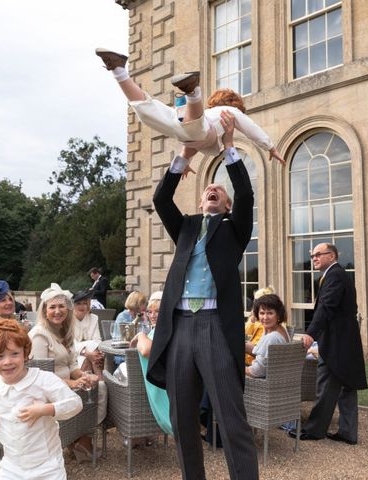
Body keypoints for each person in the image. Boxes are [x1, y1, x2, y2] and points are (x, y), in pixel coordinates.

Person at [147, 111, 258, 479]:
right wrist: (186, 155)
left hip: (214, 326)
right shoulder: (185, 229)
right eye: (208, 191)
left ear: (225, 207)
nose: (213, 190)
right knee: (182, 419)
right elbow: (162, 199)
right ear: (200, 204)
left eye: (219, 192)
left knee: (230, 418)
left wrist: (228, 147)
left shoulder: (234, 230)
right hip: (179, 327)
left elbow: (245, 192)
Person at [94, 48, 285, 164]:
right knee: (193, 124)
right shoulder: (231, 112)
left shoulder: (210, 115)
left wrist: (184, 161)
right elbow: (251, 128)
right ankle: (193, 92)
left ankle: (118, 69)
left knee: (146, 110)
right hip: (195, 128)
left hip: (180, 126)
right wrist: (270, 147)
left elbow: (191, 147)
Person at [0, 318, 83, 480]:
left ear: (25, 353)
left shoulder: (43, 379)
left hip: (48, 466)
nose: (8, 361)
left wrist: (46, 409)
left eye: (14, 354)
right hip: (12, 468)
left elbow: (75, 403)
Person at [293, 243, 367, 445]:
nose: (314, 258)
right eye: (312, 256)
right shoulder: (337, 275)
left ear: (332, 255)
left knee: (326, 384)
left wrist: (311, 334)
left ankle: (315, 430)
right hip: (346, 340)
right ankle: (348, 433)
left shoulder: (334, 276)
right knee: (347, 386)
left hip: (336, 342)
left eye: (318, 254)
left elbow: (325, 307)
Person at [28, 283, 106, 462]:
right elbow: (40, 375)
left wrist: (83, 376)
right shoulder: (40, 335)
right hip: (46, 388)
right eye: (52, 307)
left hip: (64, 382)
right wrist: (72, 383)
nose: (57, 311)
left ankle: (81, 439)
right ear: (44, 311)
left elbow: (72, 366)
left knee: (99, 387)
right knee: (91, 393)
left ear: (67, 309)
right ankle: (78, 441)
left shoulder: (65, 332)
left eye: (61, 306)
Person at [129, 291, 172, 435]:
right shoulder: (158, 329)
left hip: (162, 386)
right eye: (149, 311)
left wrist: (141, 335)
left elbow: (147, 350)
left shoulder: (166, 330)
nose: (152, 315)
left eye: (158, 311)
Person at [245, 294, 291, 378]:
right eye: (262, 313)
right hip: (278, 379)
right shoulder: (280, 329)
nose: (265, 317)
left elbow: (257, 371)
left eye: (270, 313)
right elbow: (264, 355)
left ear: (278, 314)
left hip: (262, 382)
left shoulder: (272, 337)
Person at [72, 290, 104, 374]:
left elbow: (98, 340)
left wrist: (92, 353)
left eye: (85, 303)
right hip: (74, 354)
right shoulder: (68, 320)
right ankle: (101, 382)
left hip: (93, 353)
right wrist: (86, 353)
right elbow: (70, 345)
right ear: (73, 305)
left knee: (93, 357)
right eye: (78, 303)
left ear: (88, 305)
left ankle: (97, 383)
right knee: (87, 359)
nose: (82, 306)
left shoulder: (94, 318)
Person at [244, 286, 274, 366]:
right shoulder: (256, 316)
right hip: (252, 352)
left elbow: (271, 340)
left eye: (257, 301)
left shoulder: (273, 318)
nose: (255, 303)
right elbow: (247, 332)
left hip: (261, 354)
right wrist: (252, 319)